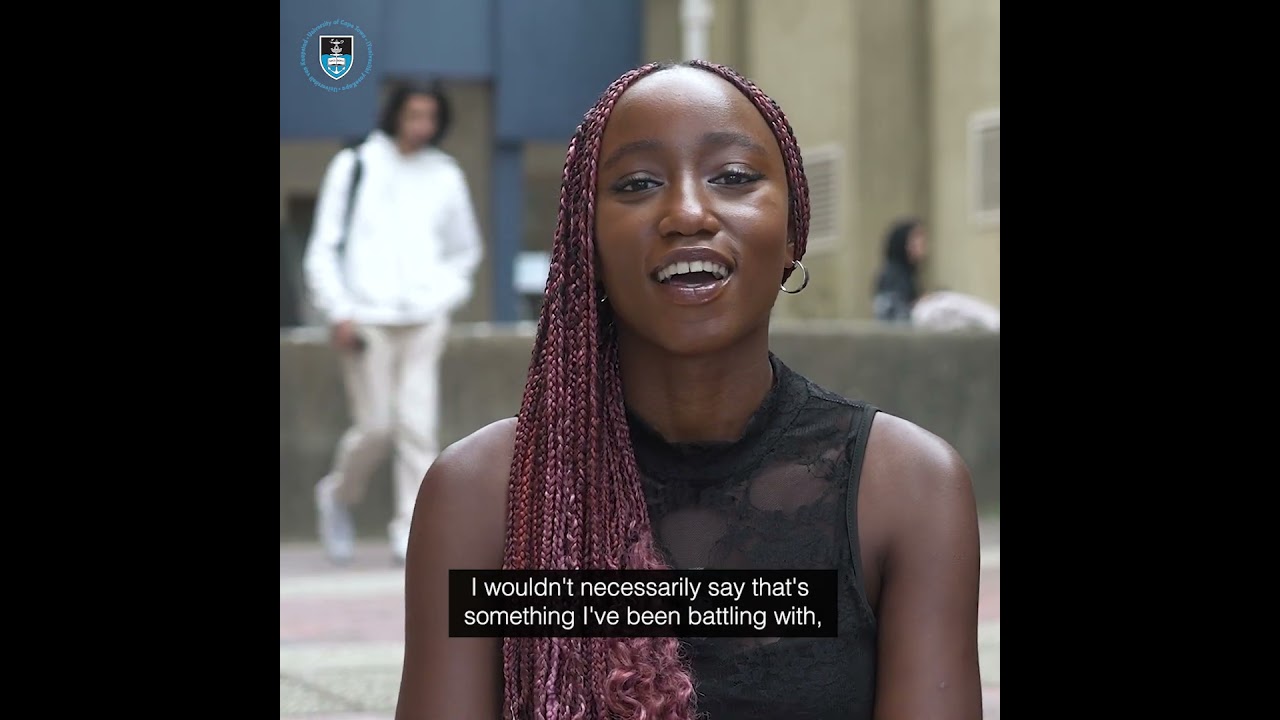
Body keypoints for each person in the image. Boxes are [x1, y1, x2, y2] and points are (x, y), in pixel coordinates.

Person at [395, 61, 981, 719]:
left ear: (794, 233)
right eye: (638, 183)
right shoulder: (480, 495)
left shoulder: (908, 490)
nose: (687, 213)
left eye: (733, 176)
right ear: (586, 242)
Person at [302, 79, 483, 566]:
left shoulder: (445, 175)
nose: (421, 125)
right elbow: (323, 247)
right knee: (377, 427)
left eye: (430, 117)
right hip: (366, 319)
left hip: (424, 320)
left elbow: (464, 251)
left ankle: (408, 531)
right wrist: (338, 309)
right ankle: (337, 495)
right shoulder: (355, 165)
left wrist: (443, 298)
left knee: (417, 428)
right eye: (413, 115)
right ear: (395, 114)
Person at [872, 217, 927, 324]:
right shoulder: (893, 276)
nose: (922, 244)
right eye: (916, 238)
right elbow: (893, 317)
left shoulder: (907, 274)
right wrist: (922, 304)